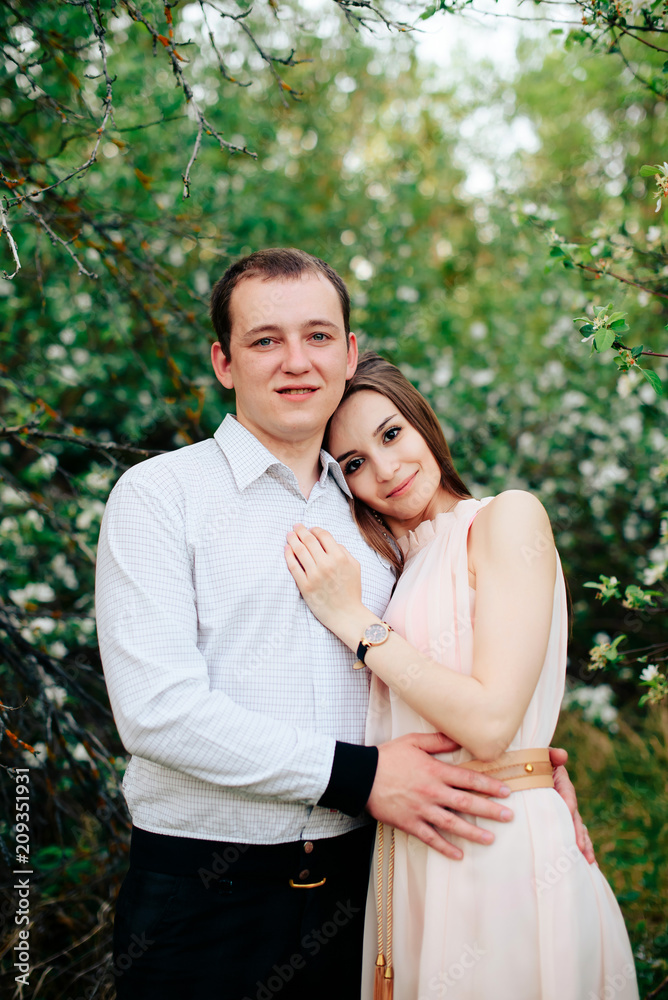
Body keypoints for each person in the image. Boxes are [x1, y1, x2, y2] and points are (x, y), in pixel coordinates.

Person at [96, 249, 590, 1000]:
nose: (296, 361)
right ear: (224, 362)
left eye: (319, 336)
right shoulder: (161, 496)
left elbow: (455, 660)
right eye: (265, 341)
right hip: (203, 895)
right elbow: (157, 713)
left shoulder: (382, 513)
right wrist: (361, 777)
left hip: (371, 885)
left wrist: (524, 772)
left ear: (350, 352)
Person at [284, 351, 639, 1000]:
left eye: (392, 434)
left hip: (499, 846)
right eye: (355, 464)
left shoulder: (505, 519)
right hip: (412, 853)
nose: (385, 470)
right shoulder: (396, 568)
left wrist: (354, 622)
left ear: (423, 422)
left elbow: (489, 721)